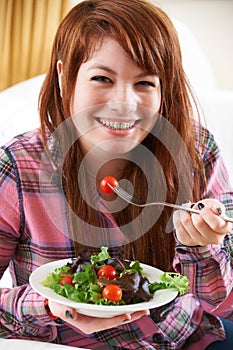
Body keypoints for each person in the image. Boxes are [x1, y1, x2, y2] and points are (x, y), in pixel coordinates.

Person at [0, 0, 233, 348]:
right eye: (102, 78)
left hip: (186, 339)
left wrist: (204, 247)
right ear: (65, 77)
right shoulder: (19, 167)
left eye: (144, 83)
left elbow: (222, 302)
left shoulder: (195, 149)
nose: (124, 102)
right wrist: (47, 305)